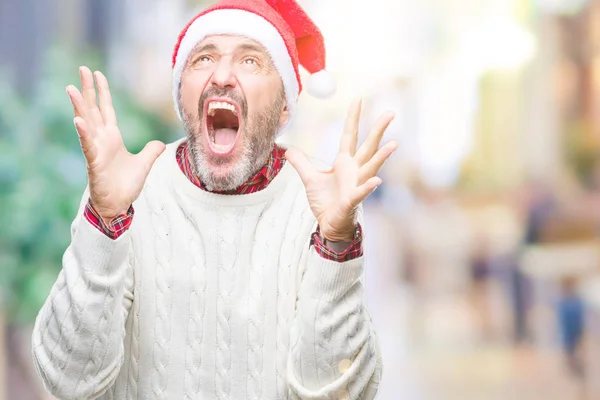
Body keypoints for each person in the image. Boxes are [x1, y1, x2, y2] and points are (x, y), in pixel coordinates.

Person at [30, 0, 397, 399]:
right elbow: (69, 380)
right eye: (203, 58)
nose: (222, 75)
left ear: (285, 107)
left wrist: (335, 246)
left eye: (251, 61)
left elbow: (343, 393)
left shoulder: (318, 207)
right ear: (182, 95)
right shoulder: (127, 195)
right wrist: (103, 222)